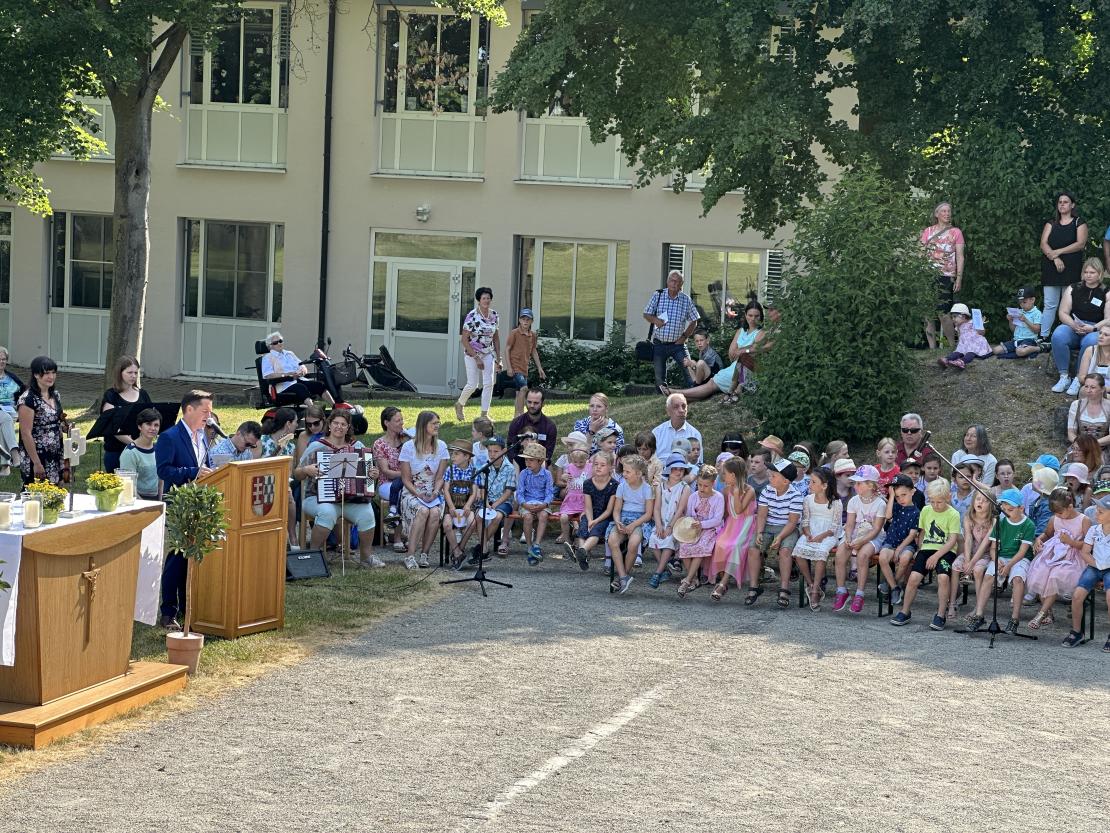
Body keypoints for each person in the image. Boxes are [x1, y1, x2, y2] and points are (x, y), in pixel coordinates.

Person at [155, 390, 214, 629]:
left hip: (200, 502)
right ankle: (168, 611)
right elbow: (164, 471)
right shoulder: (170, 437)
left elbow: (205, 465)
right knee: (177, 559)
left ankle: (191, 608)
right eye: (205, 412)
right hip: (179, 503)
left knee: (192, 557)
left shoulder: (203, 436)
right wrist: (192, 472)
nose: (209, 418)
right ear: (189, 410)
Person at [296, 409, 382, 568]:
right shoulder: (316, 446)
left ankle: (366, 557)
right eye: (336, 423)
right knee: (327, 512)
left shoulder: (358, 446)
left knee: (367, 514)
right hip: (316, 497)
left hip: (350, 499)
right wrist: (306, 470)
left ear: (348, 427)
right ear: (329, 425)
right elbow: (297, 473)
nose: (339, 427)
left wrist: (373, 474)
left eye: (343, 424)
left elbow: (368, 477)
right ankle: (314, 555)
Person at [890, 478, 962, 629]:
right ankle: (905, 611)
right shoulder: (926, 510)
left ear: (948, 497)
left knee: (943, 577)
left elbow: (952, 541)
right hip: (927, 548)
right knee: (914, 577)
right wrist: (919, 549)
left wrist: (936, 556)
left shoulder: (953, 514)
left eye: (939, 502)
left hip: (946, 551)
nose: (935, 505)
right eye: (932, 501)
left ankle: (941, 614)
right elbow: (922, 532)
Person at [964, 487, 1036, 634]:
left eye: (1010, 509)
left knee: (1017, 579)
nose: (1006, 512)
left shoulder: (1028, 525)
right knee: (989, 576)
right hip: (1001, 556)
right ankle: (979, 615)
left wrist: (1009, 565)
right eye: (1004, 508)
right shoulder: (1000, 522)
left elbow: (1023, 551)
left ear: (1021, 508)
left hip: (1019, 558)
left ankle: (1014, 619)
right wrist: (997, 560)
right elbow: (993, 548)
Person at [670, 302, 764, 403]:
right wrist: (741, 352)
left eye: (756, 316)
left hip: (745, 369)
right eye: (750, 315)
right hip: (734, 366)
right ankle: (683, 399)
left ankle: (677, 393)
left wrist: (741, 351)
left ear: (761, 316)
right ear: (745, 315)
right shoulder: (741, 331)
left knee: (711, 385)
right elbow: (732, 354)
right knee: (711, 383)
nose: (753, 319)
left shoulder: (761, 332)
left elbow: (753, 351)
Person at [1027, 488, 1089, 630]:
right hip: (1054, 555)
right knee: (1040, 574)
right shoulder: (1054, 519)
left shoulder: (1083, 520)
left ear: (1070, 506)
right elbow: (1047, 534)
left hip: (1073, 558)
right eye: (1055, 513)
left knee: (1055, 576)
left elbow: (1088, 545)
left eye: (1060, 512)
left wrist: (1070, 542)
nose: (1058, 516)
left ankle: (1041, 614)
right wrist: (1039, 539)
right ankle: (1048, 612)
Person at [831, 464, 886, 614]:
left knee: (862, 556)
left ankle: (860, 594)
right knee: (840, 554)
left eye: (859, 483)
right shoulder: (854, 501)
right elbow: (849, 524)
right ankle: (841, 590)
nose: (855, 485)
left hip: (872, 536)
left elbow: (876, 529)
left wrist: (861, 542)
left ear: (870, 485)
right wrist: (848, 537)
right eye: (855, 482)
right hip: (855, 533)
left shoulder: (880, 503)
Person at [398, 410, 449, 569]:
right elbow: (405, 479)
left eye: (438, 423)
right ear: (423, 425)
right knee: (422, 511)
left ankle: (424, 554)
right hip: (412, 491)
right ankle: (410, 555)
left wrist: (434, 493)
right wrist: (418, 493)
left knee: (434, 512)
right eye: (434, 423)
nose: (437, 426)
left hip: (433, 490)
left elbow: (440, 477)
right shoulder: (408, 447)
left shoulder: (441, 446)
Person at [750, 459, 803, 608]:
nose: (770, 477)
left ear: (786, 481)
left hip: (787, 528)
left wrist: (780, 537)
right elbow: (761, 515)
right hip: (768, 525)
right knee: (754, 548)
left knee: (785, 551)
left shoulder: (796, 496)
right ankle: (754, 586)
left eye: (774, 475)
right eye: (771, 474)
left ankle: (784, 588)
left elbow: (792, 522)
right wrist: (759, 532)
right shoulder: (767, 490)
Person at [1050, 258, 1108, 394]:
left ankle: (1078, 378)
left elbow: (1108, 319)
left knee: (1092, 341)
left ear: (1099, 274)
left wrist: (1093, 328)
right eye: (1086, 272)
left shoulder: (1106, 292)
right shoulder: (1073, 288)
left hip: (1095, 328)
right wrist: (1073, 324)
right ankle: (1064, 376)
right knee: (1058, 335)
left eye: (1092, 272)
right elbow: (1063, 312)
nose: (1088, 275)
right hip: (1074, 325)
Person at [1061, 493, 1110, 650]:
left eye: (1101, 512)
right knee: (1077, 596)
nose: (1096, 514)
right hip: (1094, 567)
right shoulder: (1094, 530)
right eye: (1097, 510)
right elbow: (1085, 552)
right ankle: (1077, 632)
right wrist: (1096, 564)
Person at [1040, 191, 1089, 338]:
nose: (1062, 204)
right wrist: (1055, 258)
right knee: (1050, 305)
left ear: (1072, 205)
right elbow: (1043, 244)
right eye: (1060, 202)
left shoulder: (1079, 222)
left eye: (1065, 202)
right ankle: (1043, 337)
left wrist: (1058, 252)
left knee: (1069, 306)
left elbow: (1080, 244)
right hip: (1051, 269)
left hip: (1071, 270)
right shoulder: (1051, 223)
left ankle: (1068, 335)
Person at [642, 269, 701, 392]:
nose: (674, 284)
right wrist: (655, 320)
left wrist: (684, 337)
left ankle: (695, 394)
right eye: (672, 280)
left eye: (677, 282)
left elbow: (694, 320)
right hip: (659, 343)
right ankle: (661, 399)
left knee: (689, 371)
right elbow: (646, 314)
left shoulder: (686, 300)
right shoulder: (658, 295)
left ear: (681, 285)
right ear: (667, 282)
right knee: (659, 378)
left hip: (678, 344)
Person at [792, 466, 841, 610]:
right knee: (799, 551)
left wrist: (821, 536)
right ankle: (811, 584)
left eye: (813, 482)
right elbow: (805, 520)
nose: (809, 485)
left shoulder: (836, 503)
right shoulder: (808, 499)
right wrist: (807, 533)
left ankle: (815, 590)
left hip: (828, 534)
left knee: (821, 554)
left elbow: (835, 526)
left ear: (824, 486)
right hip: (812, 531)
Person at [920, 201, 965, 349]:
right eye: (944, 211)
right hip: (927, 274)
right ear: (937, 214)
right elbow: (921, 253)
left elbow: (960, 256)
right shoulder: (928, 231)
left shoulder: (956, 232)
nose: (947, 214)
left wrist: (959, 277)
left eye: (948, 211)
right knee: (927, 313)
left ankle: (952, 346)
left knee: (944, 313)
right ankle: (932, 348)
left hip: (946, 275)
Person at [607, 456, 655, 594]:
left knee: (633, 543)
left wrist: (633, 525)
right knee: (612, 541)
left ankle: (624, 574)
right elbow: (616, 510)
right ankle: (623, 577)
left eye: (628, 472)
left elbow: (648, 514)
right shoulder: (622, 486)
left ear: (639, 474)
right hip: (623, 518)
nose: (624, 474)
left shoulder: (647, 489)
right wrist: (617, 521)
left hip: (640, 520)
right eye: (624, 471)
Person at [676, 464, 724, 598]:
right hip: (694, 527)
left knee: (700, 546)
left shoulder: (718, 498)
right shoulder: (693, 497)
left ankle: (687, 580)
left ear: (713, 483)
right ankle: (694, 579)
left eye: (706, 486)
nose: (702, 489)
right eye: (699, 485)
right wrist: (692, 523)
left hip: (710, 528)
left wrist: (702, 524)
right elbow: (690, 514)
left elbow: (717, 519)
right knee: (684, 545)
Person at [99, 355, 153, 473]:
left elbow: (151, 419)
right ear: (120, 373)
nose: (133, 376)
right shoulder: (111, 396)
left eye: (136, 372)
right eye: (129, 372)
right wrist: (134, 444)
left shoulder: (143, 394)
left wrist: (144, 443)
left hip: (141, 449)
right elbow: (113, 427)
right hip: (116, 452)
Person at [17, 355, 64, 486]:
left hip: (55, 452)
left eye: (54, 373)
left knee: (56, 492)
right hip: (37, 455)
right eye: (47, 373)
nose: (51, 377)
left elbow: (58, 420)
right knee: (35, 494)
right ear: (36, 375)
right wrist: (37, 463)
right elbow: (26, 434)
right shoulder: (28, 399)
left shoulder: (55, 395)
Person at [455, 287, 501, 421]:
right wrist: (476, 358)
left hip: (488, 353)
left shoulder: (494, 315)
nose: (486, 300)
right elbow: (464, 340)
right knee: (473, 384)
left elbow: (496, 338)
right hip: (472, 353)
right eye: (483, 298)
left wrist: (499, 358)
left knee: (489, 382)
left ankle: (484, 413)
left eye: (488, 298)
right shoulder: (472, 316)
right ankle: (460, 404)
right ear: (479, 301)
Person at [646, 454, 691, 589]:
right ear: (669, 470)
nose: (678, 472)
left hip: (676, 523)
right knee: (653, 539)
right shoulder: (660, 486)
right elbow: (657, 507)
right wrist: (659, 524)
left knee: (669, 540)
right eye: (675, 469)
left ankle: (657, 572)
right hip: (662, 521)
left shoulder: (685, 488)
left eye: (681, 470)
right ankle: (664, 569)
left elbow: (680, 509)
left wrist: (670, 526)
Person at [875, 475, 921, 608]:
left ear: (913, 491)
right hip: (892, 541)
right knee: (883, 557)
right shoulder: (895, 506)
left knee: (905, 558)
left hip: (907, 544)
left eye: (904, 495)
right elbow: (888, 516)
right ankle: (895, 587)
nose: (901, 499)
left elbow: (913, 535)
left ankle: (890, 583)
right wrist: (891, 497)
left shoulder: (917, 512)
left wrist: (900, 549)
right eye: (897, 496)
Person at [259, 406, 299, 549]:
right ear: (288, 424)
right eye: (295, 422)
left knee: (289, 497)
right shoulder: (263, 440)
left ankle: (292, 536)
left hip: (281, 482)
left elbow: (290, 472)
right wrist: (278, 449)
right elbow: (257, 465)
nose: (297, 425)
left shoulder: (291, 446)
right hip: (261, 481)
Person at [261, 332, 333, 407]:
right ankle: (314, 411)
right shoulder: (267, 358)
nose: (279, 343)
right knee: (300, 388)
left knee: (319, 385)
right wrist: (287, 375)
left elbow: (301, 365)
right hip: (283, 386)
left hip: (299, 379)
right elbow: (268, 375)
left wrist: (303, 371)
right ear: (270, 346)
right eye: (275, 342)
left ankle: (335, 407)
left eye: (280, 341)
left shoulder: (289, 353)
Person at [476, 435, 518, 559]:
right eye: (489, 451)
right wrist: (487, 503)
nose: (492, 454)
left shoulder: (509, 468)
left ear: (503, 451)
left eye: (495, 451)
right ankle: (484, 547)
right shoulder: (485, 466)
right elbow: (483, 488)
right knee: (479, 516)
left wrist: (496, 504)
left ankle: (481, 545)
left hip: (504, 502)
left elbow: (508, 492)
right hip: (488, 500)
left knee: (497, 516)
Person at [576, 451, 617, 570]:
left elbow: (609, 510)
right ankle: (583, 555)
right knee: (583, 527)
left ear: (610, 467)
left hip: (605, 516)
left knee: (596, 530)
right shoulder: (588, 483)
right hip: (591, 514)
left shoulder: (614, 485)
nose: (598, 467)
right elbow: (588, 506)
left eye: (602, 465)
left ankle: (581, 551)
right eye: (596, 464)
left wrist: (595, 521)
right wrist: (589, 520)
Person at [372, 407, 407, 545]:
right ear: (387, 423)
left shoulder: (406, 441)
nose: (401, 423)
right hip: (386, 483)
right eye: (397, 420)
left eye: (402, 420)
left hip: (406, 482)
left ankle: (405, 533)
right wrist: (406, 474)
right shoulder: (379, 444)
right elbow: (386, 472)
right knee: (402, 494)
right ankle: (397, 538)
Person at [517, 442, 554, 565]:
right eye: (526, 460)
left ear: (540, 461)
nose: (527, 463)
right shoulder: (523, 473)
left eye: (531, 460)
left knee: (543, 515)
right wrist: (524, 504)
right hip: (527, 503)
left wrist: (544, 504)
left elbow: (549, 493)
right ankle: (529, 547)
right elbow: (520, 493)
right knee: (527, 517)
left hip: (542, 503)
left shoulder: (547, 474)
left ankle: (536, 545)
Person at [504, 308, 546, 417]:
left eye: (528, 319)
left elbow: (533, 351)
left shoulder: (532, 335)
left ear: (532, 321)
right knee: (524, 388)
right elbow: (507, 349)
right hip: (515, 366)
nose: (525, 321)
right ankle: (520, 414)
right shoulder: (514, 333)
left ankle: (515, 416)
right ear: (519, 320)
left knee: (519, 392)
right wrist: (509, 367)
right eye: (523, 319)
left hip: (524, 368)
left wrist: (540, 368)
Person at [442, 441, 477, 566]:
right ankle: (457, 552)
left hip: (466, 503)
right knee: (447, 524)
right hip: (451, 503)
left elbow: (473, 492)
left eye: (456, 454)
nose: (452, 457)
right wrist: (451, 507)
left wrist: (468, 505)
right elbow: (446, 490)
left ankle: (460, 548)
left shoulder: (473, 471)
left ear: (467, 457)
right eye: (452, 454)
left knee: (472, 522)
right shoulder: (449, 470)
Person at [555, 437, 590, 550]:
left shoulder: (590, 468)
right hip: (571, 500)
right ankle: (567, 541)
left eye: (581, 462)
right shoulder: (570, 466)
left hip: (584, 500)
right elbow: (565, 476)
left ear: (587, 459)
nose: (578, 464)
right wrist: (564, 477)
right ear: (571, 460)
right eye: (575, 462)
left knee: (583, 519)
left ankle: (579, 541)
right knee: (564, 518)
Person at [119, 407, 162, 501]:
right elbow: (128, 486)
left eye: (156, 425)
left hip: (156, 500)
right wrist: (145, 506)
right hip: (137, 501)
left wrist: (160, 502)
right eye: (148, 424)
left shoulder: (159, 449)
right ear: (139, 426)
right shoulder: (130, 453)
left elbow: (161, 479)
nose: (153, 428)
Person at [507, 388, 557, 466]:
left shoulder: (550, 426)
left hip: (540, 466)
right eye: (529, 402)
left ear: (543, 403)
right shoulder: (516, 423)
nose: (532, 405)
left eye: (536, 403)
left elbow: (548, 454)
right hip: (518, 465)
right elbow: (511, 449)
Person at [993, 286, 1042, 359]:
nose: (1022, 304)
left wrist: (1026, 320)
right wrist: (1010, 320)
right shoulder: (1019, 312)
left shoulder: (1037, 313)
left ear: (1032, 300)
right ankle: (1017, 352)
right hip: (1016, 340)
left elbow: (1037, 330)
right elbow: (1013, 330)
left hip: (1029, 340)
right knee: (996, 350)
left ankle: (1038, 348)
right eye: (1020, 302)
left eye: (1024, 302)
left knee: (1020, 351)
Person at [651, 393, 703, 462]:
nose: (681, 410)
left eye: (684, 406)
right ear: (668, 411)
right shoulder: (657, 433)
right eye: (676, 407)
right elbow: (650, 460)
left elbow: (698, 462)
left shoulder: (695, 434)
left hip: (685, 471)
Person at [937, 303, 991, 369]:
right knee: (958, 352)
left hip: (975, 344)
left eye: (955, 317)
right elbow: (961, 336)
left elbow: (982, 333)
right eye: (952, 317)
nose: (953, 319)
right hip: (965, 344)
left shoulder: (973, 322)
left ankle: (962, 361)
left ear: (963, 316)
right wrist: (960, 344)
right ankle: (946, 359)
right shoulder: (959, 326)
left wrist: (979, 325)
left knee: (970, 353)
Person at [1068, 374, 1110, 457]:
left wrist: (1092, 444)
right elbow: (1071, 432)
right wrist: (1080, 444)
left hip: (1102, 450)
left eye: (1093, 387)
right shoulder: (1076, 405)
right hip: (1079, 448)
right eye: (1086, 386)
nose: (1088, 390)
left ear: (1102, 389)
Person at [0, 347, 24, 475]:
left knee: (5, 421)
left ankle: (5, 465)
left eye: (4, 359)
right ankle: (15, 453)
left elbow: (24, 393)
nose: (1, 362)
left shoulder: (12, 378)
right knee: (5, 419)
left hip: (10, 411)